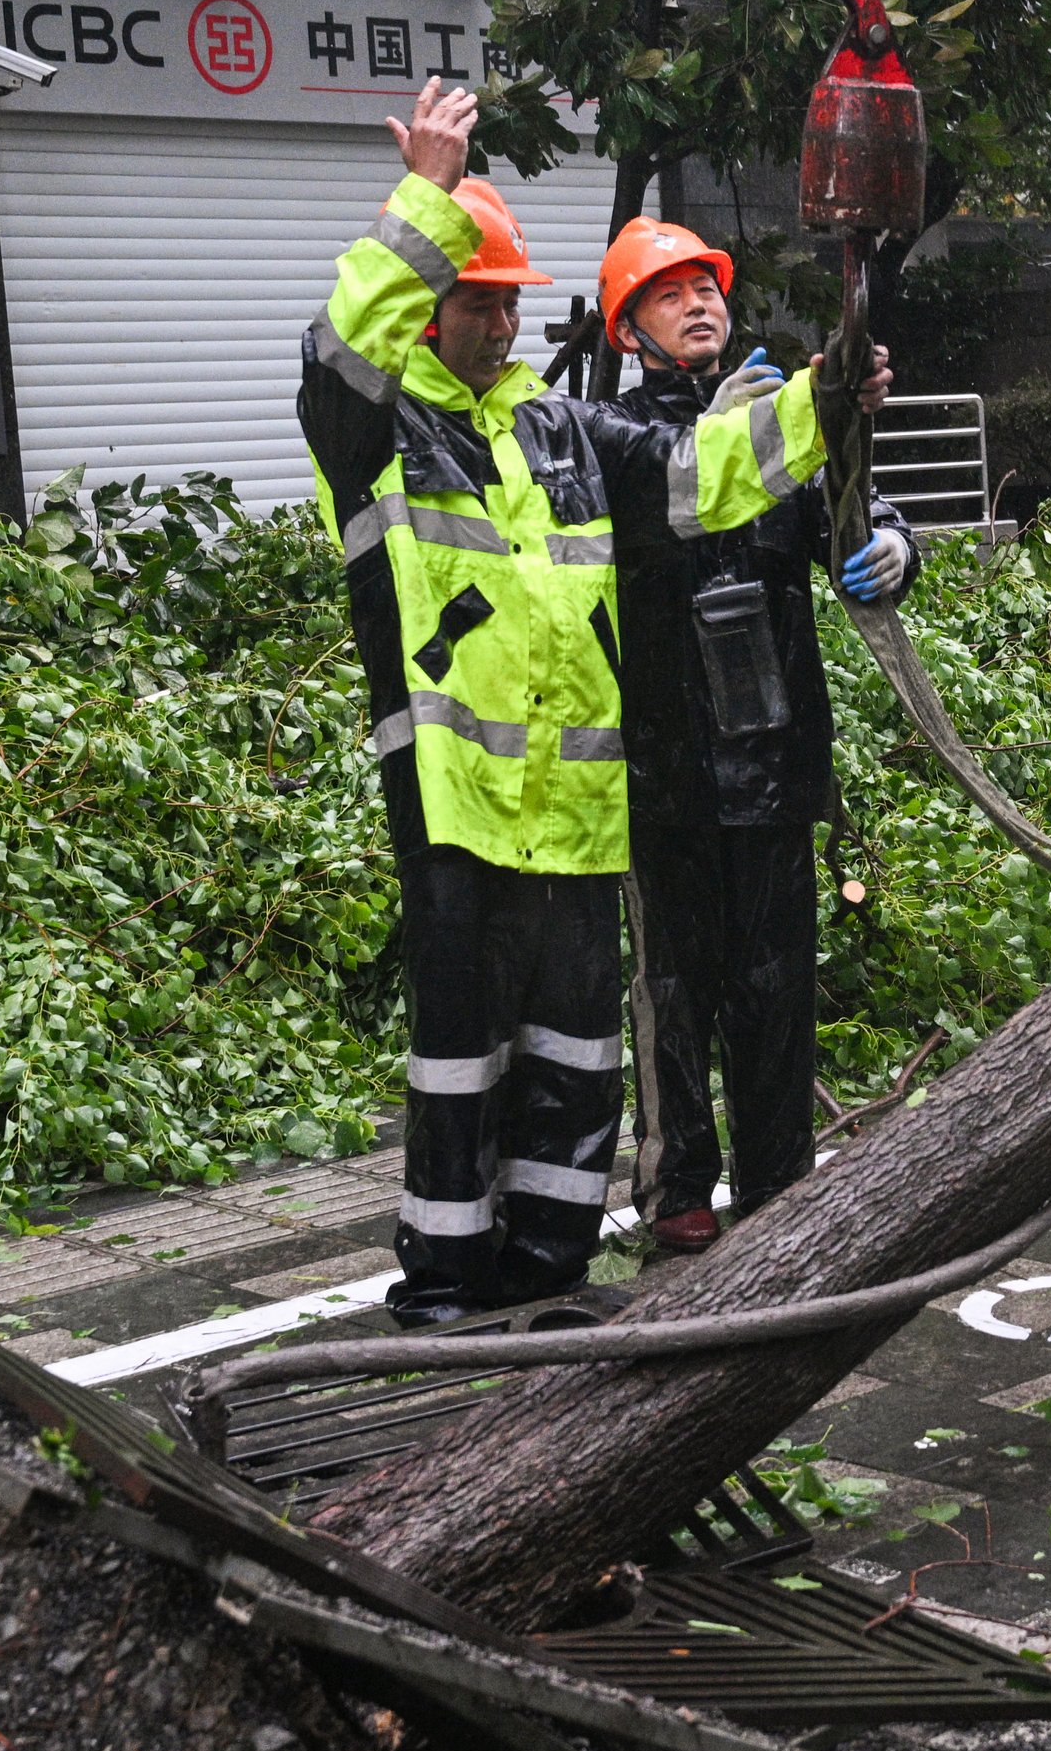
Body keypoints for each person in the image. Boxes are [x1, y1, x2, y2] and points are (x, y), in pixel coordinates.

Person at [300, 85, 887, 1325]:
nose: (503, 313)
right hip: (459, 815)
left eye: (512, 293)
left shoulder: (568, 430)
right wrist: (427, 200)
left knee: (577, 1070)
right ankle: (448, 1299)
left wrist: (825, 401)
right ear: (432, 302)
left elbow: (705, 474)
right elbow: (339, 348)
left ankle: (553, 1283)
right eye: (479, 293)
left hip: (575, 821)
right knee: (463, 1074)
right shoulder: (377, 434)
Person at [598, 215, 920, 1255]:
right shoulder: (609, 444)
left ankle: (780, 1185)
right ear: (626, 331)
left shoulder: (788, 427)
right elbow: (689, 470)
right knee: (675, 990)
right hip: (666, 771)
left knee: (776, 985)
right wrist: (794, 413)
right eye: (668, 293)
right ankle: (681, 1188)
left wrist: (889, 547)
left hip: (774, 763)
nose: (699, 304)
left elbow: (863, 507)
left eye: (707, 288)